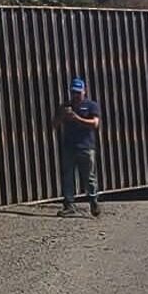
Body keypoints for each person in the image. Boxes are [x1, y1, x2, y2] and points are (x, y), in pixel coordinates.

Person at [53, 78, 101, 217]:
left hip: (86, 146)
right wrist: (62, 116)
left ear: (84, 91)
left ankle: (93, 201)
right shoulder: (65, 106)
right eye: (74, 92)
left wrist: (77, 118)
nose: (76, 95)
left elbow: (95, 123)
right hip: (69, 147)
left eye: (78, 93)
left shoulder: (91, 106)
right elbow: (54, 125)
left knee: (89, 176)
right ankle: (69, 204)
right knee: (67, 175)